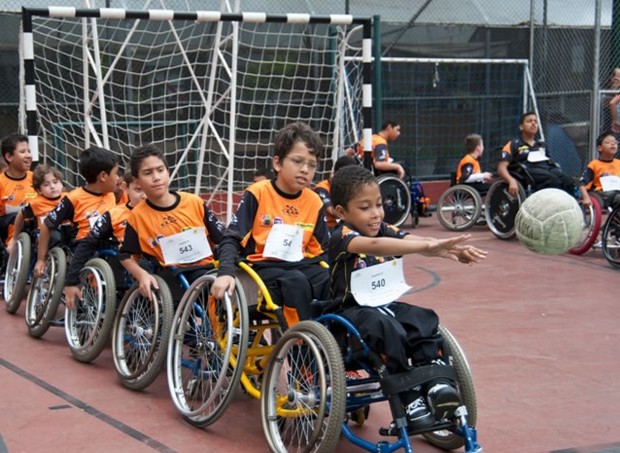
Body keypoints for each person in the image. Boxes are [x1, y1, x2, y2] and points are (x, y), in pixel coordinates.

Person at [328, 164, 487, 429]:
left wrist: (445, 250)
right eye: (365, 207)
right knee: (387, 327)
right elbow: (376, 246)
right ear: (342, 212)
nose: (376, 213)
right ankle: (409, 397)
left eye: (379, 204)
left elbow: (409, 238)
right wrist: (428, 246)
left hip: (384, 304)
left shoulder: (383, 228)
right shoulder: (342, 236)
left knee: (423, 318)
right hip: (350, 313)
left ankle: (437, 383)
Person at [211, 122, 330, 328]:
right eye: (298, 161)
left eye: (312, 165)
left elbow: (323, 251)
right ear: (277, 163)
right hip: (262, 269)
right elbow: (232, 237)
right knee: (297, 282)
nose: (305, 170)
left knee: (330, 279)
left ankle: (334, 345)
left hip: (298, 265)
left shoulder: (314, 201)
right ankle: (300, 348)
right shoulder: (258, 193)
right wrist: (225, 272)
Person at [118, 144, 225, 300]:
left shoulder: (194, 202)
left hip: (206, 271)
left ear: (168, 172)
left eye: (160, 170)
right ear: (137, 181)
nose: (156, 177)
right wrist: (142, 275)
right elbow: (124, 255)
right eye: (148, 173)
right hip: (170, 278)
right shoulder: (137, 216)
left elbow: (222, 238)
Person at [63, 171, 146, 309]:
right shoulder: (114, 215)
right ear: (125, 187)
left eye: (147, 189)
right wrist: (71, 281)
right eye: (138, 190)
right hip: (124, 264)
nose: (144, 195)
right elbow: (87, 244)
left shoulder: (160, 213)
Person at [34, 147, 120, 278]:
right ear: (103, 176)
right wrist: (41, 259)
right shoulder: (74, 198)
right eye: (116, 173)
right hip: (84, 245)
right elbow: (47, 225)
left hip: (108, 241)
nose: (118, 178)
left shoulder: (111, 195)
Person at [498, 111, 575, 197]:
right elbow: (501, 168)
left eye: (535, 121)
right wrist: (511, 181)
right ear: (521, 127)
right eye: (529, 121)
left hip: (546, 169)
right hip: (528, 172)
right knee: (553, 180)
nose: (533, 123)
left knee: (568, 180)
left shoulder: (542, 144)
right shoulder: (513, 144)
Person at [6, 164, 64, 256]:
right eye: (46, 184)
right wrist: (14, 238)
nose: (52, 186)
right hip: (45, 235)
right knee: (54, 237)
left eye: (55, 182)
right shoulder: (35, 203)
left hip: (65, 231)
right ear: (39, 190)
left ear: (61, 184)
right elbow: (20, 216)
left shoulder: (69, 199)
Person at [0, 134, 36, 245]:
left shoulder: (36, 179)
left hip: (34, 224)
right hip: (8, 228)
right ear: (9, 157)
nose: (28, 155)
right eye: (22, 152)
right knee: (15, 217)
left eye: (29, 151)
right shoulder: (1, 182)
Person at [313, 155, 358, 230]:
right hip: (325, 229)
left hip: (341, 227)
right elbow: (333, 212)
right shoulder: (321, 188)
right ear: (335, 173)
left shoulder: (349, 188)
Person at [578, 130, 620, 210]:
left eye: (615, 142)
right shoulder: (594, 164)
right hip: (603, 193)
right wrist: (586, 198)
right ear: (600, 148)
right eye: (608, 142)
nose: (613, 144)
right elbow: (581, 183)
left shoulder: (619, 163)